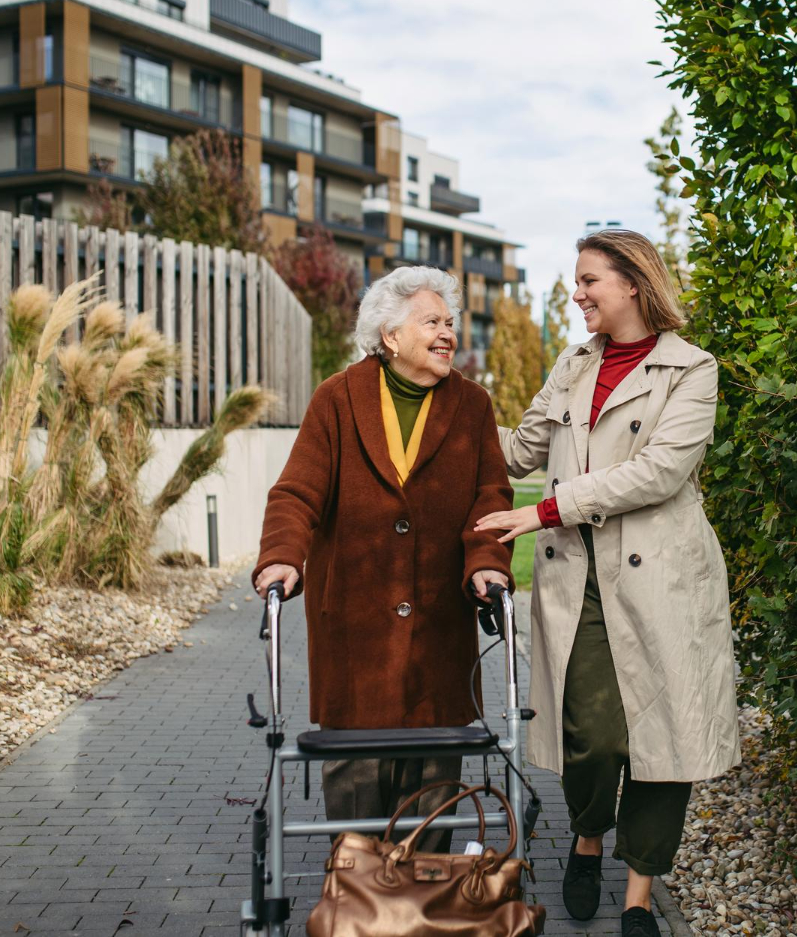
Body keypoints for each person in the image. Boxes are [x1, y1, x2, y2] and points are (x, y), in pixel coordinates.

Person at [475, 230, 740, 936]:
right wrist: (448, 403)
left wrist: (546, 509)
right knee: (588, 733)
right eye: (577, 280)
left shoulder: (692, 369)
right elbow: (522, 447)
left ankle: (640, 896)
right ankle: (587, 840)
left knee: (665, 740)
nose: (578, 293)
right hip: (578, 578)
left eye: (589, 279)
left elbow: (659, 472)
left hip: (663, 579)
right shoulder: (574, 363)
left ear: (632, 282)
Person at [253, 265, 513, 852]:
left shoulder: (472, 405)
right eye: (432, 322)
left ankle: (425, 907)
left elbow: (490, 498)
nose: (448, 333)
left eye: (451, 323)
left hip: (438, 629)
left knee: (432, 799)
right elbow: (298, 492)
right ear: (390, 336)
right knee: (357, 798)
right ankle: (357, 903)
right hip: (356, 632)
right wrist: (282, 557)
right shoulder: (337, 398)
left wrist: (488, 561)